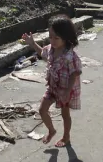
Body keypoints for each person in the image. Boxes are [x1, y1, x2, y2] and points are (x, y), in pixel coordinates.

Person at [22, 15, 82, 148]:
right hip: (53, 87)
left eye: (56, 38)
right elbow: (43, 53)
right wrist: (32, 43)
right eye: (50, 36)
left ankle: (66, 137)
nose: (52, 40)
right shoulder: (51, 49)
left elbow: (75, 72)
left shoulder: (70, 55)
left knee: (65, 115)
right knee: (42, 110)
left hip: (65, 89)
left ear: (65, 37)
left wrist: (67, 91)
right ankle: (51, 130)